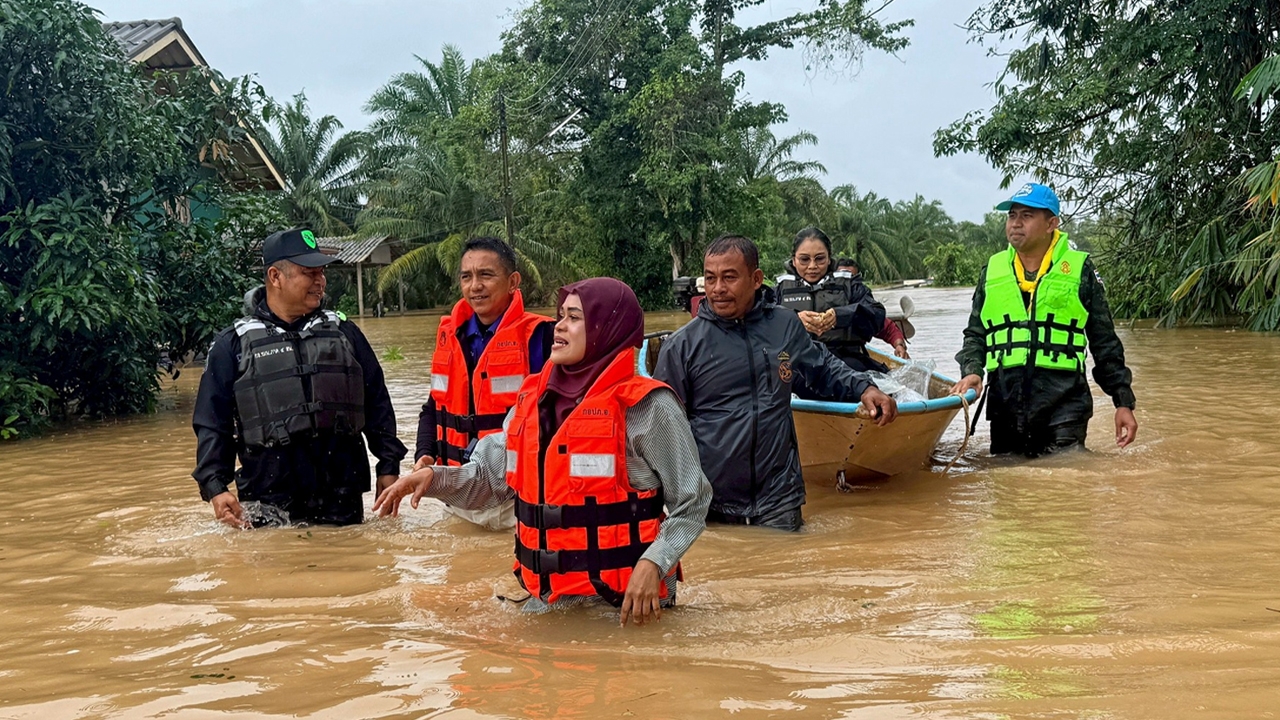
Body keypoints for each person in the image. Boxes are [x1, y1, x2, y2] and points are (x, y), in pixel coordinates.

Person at [376, 278, 712, 626]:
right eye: (560, 315)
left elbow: (693, 501)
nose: (559, 326)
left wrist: (654, 562)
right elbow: (488, 480)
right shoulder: (532, 401)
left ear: (607, 328)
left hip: (628, 607)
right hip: (549, 602)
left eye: (574, 318)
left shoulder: (649, 407)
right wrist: (432, 479)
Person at [653, 235, 898, 532]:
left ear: (756, 279)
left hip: (779, 499)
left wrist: (865, 388)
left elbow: (823, 367)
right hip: (710, 503)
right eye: (710, 278)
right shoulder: (682, 346)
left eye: (729, 277)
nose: (717, 289)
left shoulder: (784, 325)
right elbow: (660, 429)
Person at [192, 228, 407, 527]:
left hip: (340, 498)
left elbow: (377, 401)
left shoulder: (345, 333)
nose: (320, 281)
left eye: (322, 272)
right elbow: (212, 422)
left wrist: (388, 465)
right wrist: (216, 487)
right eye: (309, 273)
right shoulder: (232, 345)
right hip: (267, 500)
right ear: (275, 277)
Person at [951, 183, 1138, 456]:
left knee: (1065, 473)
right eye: (1012, 215)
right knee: (1006, 477)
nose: (1016, 223)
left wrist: (1123, 402)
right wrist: (972, 371)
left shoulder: (1080, 269)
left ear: (1051, 223)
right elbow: (975, 334)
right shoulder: (992, 271)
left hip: (1065, 404)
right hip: (1005, 403)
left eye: (1026, 216)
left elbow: (1104, 340)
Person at [413, 237, 554, 529]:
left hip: (515, 499)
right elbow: (433, 408)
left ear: (513, 281)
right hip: (457, 495)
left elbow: (558, 418)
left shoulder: (543, 337)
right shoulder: (450, 337)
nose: (475, 286)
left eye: (486, 275)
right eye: (466, 277)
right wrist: (424, 454)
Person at [774, 228, 889, 373]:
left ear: (829, 259)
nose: (812, 266)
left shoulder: (850, 285)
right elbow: (759, 321)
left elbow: (876, 314)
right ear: (794, 261)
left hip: (845, 362)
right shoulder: (778, 291)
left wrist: (840, 315)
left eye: (820, 259)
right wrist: (794, 319)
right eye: (804, 260)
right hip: (796, 363)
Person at [836, 258, 911, 359]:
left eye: (851, 278)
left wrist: (899, 345)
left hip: (852, 355)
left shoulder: (863, 305)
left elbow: (888, 328)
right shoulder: (820, 299)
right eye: (841, 277)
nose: (846, 283)